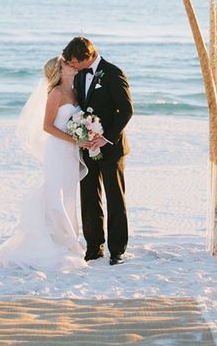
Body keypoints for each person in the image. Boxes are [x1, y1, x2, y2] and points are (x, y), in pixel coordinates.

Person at [0, 56, 92, 270]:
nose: (72, 63)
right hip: (58, 149)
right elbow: (47, 127)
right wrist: (76, 139)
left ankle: (69, 239)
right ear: (60, 69)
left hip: (71, 151)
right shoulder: (56, 93)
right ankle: (59, 241)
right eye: (67, 62)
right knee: (55, 195)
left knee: (67, 194)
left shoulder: (75, 91)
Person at [62, 36, 133, 265]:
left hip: (111, 148)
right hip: (86, 146)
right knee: (89, 197)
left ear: (87, 56)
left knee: (115, 198)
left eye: (74, 61)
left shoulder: (113, 72)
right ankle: (94, 248)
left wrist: (106, 138)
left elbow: (126, 110)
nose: (72, 65)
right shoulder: (79, 74)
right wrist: (82, 134)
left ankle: (117, 251)